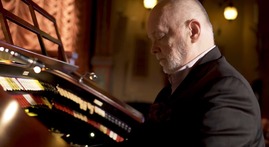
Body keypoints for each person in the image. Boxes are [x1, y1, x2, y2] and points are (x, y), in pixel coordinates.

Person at [125, 0, 265, 146]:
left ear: (193, 31)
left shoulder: (230, 91)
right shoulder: (167, 93)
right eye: (151, 40)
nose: (153, 49)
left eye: (160, 36)